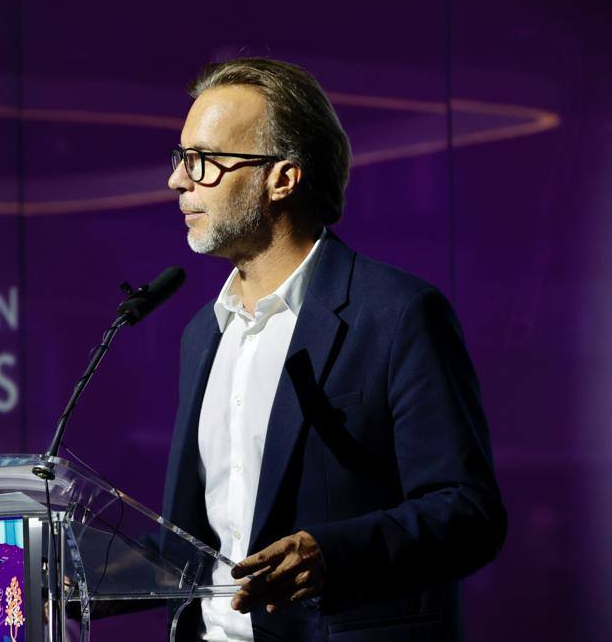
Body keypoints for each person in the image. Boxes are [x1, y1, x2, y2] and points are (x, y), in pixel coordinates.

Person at [161, 57, 506, 641]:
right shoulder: (204, 332)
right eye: (179, 159)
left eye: (203, 162)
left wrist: (331, 554)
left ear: (282, 178)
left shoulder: (396, 314)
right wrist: (50, 560)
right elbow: (198, 539)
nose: (177, 181)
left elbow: (468, 513)